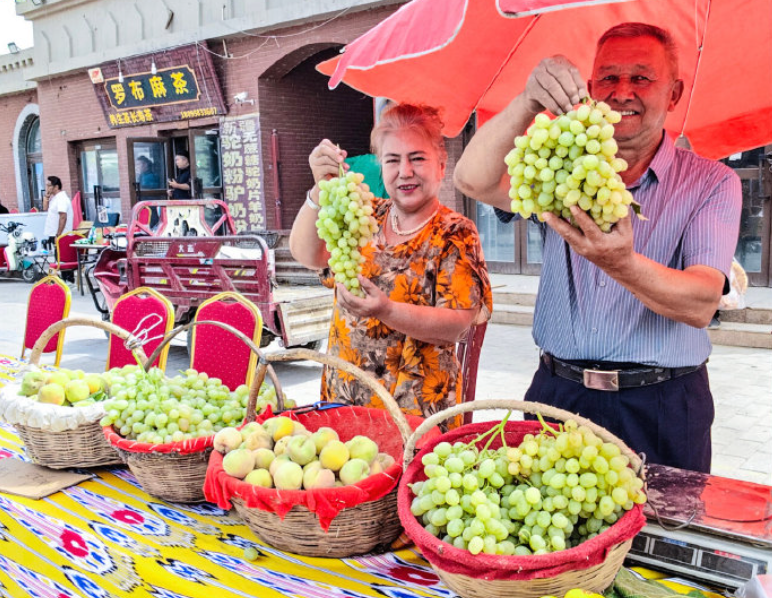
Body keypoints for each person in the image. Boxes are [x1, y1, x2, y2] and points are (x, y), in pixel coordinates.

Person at [453, 23, 742, 472]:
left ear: (675, 93)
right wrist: (528, 100)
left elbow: (702, 302)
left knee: (663, 539)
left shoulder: (712, 182)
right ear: (590, 89)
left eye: (641, 78)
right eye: (608, 77)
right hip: (558, 395)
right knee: (546, 535)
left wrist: (620, 262)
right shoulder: (562, 167)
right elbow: (471, 179)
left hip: (663, 404)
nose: (622, 91)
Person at [289, 103, 492, 428]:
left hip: (414, 413)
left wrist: (385, 310)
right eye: (393, 160)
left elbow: (458, 323)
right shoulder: (363, 215)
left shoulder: (455, 232)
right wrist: (319, 187)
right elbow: (306, 254)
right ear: (381, 167)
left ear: (441, 164)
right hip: (344, 400)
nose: (405, 171)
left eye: (417, 158)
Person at [42, 175, 75, 283]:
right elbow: (45, 208)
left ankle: (69, 281)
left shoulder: (61, 198)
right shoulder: (54, 198)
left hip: (61, 234)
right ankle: (64, 280)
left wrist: (58, 234)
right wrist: (46, 197)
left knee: (63, 258)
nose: (47, 188)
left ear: (56, 186)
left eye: (49, 186)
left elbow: (63, 216)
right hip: (53, 233)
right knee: (58, 257)